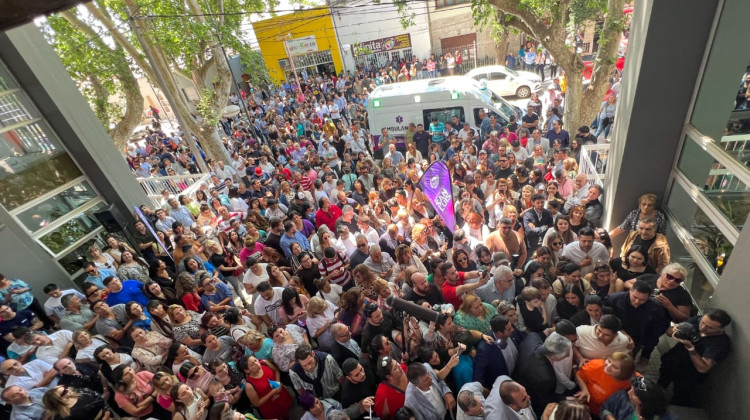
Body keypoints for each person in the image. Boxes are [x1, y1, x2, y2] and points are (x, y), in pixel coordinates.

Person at [658, 308, 731, 407]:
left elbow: (703, 368)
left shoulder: (720, 343)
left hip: (689, 375)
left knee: (679, 401)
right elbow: (668, 332)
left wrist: (691, 348)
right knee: (659, 385)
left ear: (721, 329)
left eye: (709, 327)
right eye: (703, 322)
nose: (703, 327)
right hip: (672, 362)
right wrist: (675, 331)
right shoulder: (696, 320)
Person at [604, 280, 669, 371]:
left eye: (643, 299)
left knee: (625, 363)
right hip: (615, 333)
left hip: (638, 339)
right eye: (635, 297)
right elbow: (605, 317)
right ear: (630, 290)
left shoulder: (656, 307)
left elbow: (656, 330)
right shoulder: (614, 299)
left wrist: (645, 350)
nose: (637, 301)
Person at [514, 332, 572, 417]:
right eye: (566, 355)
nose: (568, 355)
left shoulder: (533, 336)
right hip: (530, 395)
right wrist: (568, 399)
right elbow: (546, 400)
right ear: (553, 357)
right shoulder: (544, 379)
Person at [473, 314, 518, 389]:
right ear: (499, 333)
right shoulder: (484, 349)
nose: (513, 329)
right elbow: (479, 378)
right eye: (509, 329)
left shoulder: (512, 330)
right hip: (503, 386)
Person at [242, 355, 294, 419]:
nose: (257, 363)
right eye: (252, 364)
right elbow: (257, 403)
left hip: (280, 395)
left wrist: (278, 384)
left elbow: (276, 371)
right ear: (247, 370)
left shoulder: (264, 363)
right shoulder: (249, 385)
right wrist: (273, 392)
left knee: (287, 412)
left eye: (255, 360)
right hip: (270, 406)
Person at [601, 377, 675, 420]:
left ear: (643, 402)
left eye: (634, 393)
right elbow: (605, 409)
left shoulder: (666, 417)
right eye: (631, 388)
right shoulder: (623, 397)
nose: (629, 392)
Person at [42, 385, 112, 420]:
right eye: (64, 392)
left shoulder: (82, 391)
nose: (68, 389)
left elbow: (101, 399)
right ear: (58, 399)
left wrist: (107, 414)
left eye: (65, 387)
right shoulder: (60, 416)